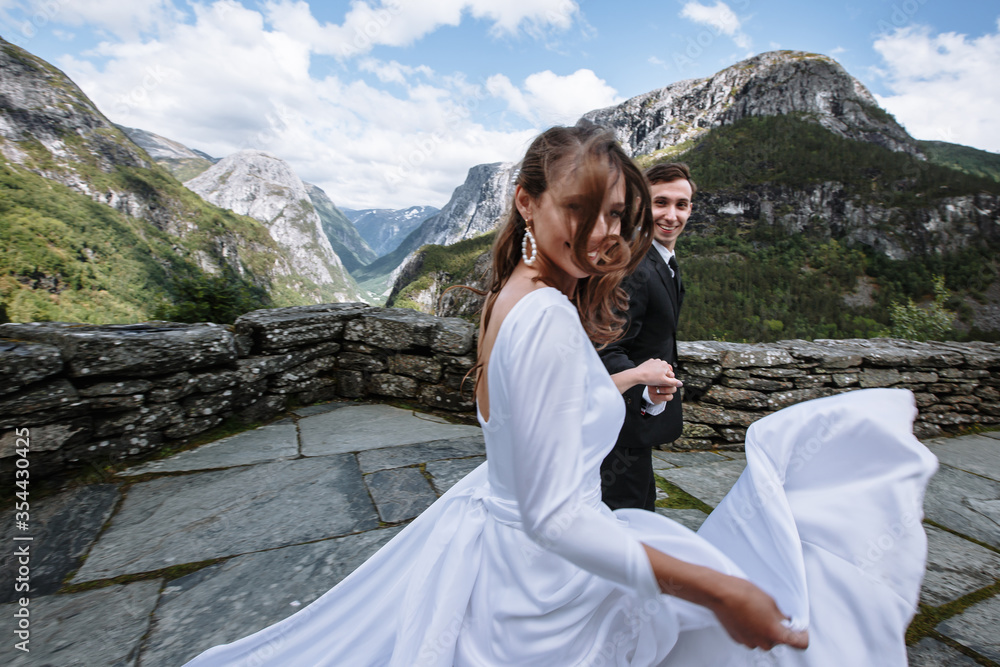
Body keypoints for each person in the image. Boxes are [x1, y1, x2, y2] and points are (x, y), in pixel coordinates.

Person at [182, 125, 935, 666]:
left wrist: (629, 377)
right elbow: (554, 516)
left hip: (495, 529)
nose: (603, 234)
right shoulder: (543, 313)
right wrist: (715, 591)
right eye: (582, 207)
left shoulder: (515, 292)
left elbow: (538, 416)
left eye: (614, 215)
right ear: (526, 202)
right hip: (537, 579)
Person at [600, 162, 695, 511]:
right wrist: (648, 397)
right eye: (661, 203)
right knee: (626, 518)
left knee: (641, 507)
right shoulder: (634, 266)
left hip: (637, 426)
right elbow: (609, 349)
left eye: (681, 205)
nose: (672, 215)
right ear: (641, 206)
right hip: (622, 424)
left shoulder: (662, 260)